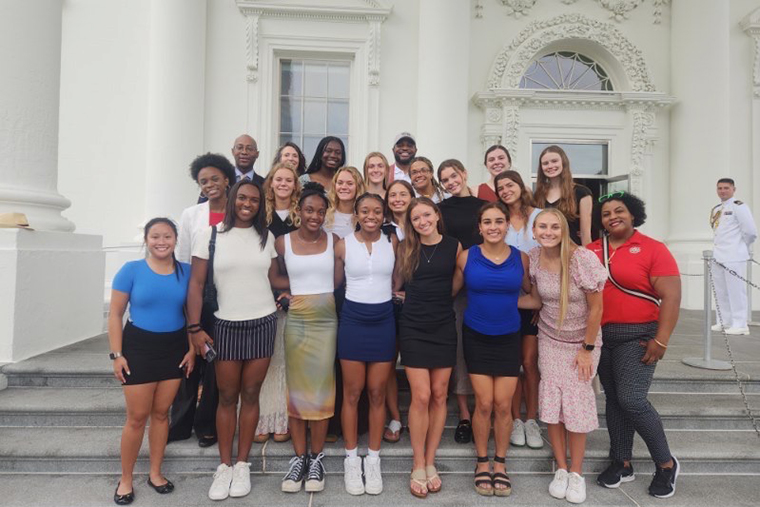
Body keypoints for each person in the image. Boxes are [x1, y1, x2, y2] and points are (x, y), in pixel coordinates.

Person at [187, 180, 280, 501]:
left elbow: (276, 278)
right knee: (227, 396)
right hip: (225, 325)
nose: (247, 203)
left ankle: (243, 464)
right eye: (242, 197)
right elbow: (196, 285)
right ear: (231, 200)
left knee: (251, 393)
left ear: (260, 205)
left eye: (254, 200)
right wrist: (195, 329)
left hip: (264, 322)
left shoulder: (266, 237)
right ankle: (224, 466)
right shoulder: (210, 235)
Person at [588, 192, 682, 499]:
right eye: (606, 213)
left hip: (639, 335)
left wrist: (661, 339)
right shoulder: (591, 251)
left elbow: (671, 296)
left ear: (633, 214)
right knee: (614, 400)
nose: (612, 216)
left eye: (620, 211)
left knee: (631, 399)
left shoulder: (654, 249)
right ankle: (622, 461)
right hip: (604, 337)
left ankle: (666, 464)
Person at [109, 218, 195, 505]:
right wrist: (117, 355)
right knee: (136, 418)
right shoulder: (131, 271)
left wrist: (192, 349)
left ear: (175, 240)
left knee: (161, 414)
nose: (162, 241)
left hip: (174, 348)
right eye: (155, 236)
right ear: (146, 239)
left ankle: (155, 473)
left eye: (167, 236)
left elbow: (191, 314)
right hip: (139, 348)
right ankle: (125, 479)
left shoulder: (186, 272)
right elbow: (114, 315)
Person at [527, 208, 607, 504]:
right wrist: (494, 298)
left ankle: (576, 473)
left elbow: (597, 308)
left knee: (575, 402)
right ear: (534, 231)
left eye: (554, 227)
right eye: (542, 227)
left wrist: (587, 349)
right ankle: (560, 467)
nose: (548, 232)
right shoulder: (534, 257)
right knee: (552, 400)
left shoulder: (582, 259)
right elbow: (536, 298)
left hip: (581, 343)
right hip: (549, 338)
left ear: (564, 230)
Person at [455, 202, 533, 497]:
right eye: (487, 222)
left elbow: (532, 292)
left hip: (509, 336)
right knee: (484, 403)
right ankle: (481, 461)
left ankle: (500, 463)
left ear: (506, 225)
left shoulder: (521, 258)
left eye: (499, 221)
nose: (493, 227)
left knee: (503, 405)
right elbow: (450, 290)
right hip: (476, 335)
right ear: (479, 227)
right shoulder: (466, 257)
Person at [271, 182, 337, 494]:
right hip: (297, 319)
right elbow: (273, 277)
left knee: (322, 387)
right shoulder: (282, 242)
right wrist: (292, 289)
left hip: (326, 320)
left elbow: (338, 281)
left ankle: (316, 457)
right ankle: (299, 459)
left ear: (326, 214)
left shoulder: (335, 241)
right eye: (309, 210)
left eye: (320, 211)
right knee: (297, 388)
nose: (314, 216)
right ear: (299, 211)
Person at [394, 197, 462, 498]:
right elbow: (397, 284)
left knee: (438, 394)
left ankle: (431, 460)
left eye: (426, 215)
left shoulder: (454, 246)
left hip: (443, 326)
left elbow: (457, 281)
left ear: (436, 215)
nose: (422, 221)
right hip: (413, 326)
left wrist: (438, 301)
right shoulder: (406, 247)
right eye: (416, 218)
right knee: (420, 395)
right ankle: (417, 462)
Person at [334, 193, 399, 495]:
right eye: (365, 210)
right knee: (352, 393)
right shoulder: (343, 244)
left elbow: (397, 280)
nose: (371, 215)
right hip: (353, 321)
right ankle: (351, 459)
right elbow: (334, 284)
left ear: (383, 214)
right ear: (356, 214)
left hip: (383, 320)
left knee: (376, 393)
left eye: (376, 210)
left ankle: (372, 459)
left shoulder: (393, 241)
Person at [170, 153, 236, 447]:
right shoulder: (191, 215)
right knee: (190, 360)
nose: (210, 185)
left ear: (226, 179)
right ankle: (180, 422)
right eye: (203, 181)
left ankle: (205, 423)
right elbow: (183, 260)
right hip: (197, 296)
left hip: (228, 298)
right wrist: (184, 304)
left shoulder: (239, 212)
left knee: (216, 364)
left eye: (214, 179)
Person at [437, 159, 487, 445]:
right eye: (444, 180)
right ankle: (465, 415)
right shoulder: (441, 210)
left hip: (485, 286)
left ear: (464, 173)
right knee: (458, 351)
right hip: (456, 286)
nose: (450, 182)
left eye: (453, 176)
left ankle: (485, 409)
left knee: (480, 349)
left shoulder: (484, 206)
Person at [253, 162, 302, 444]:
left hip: (294, 294)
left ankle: (281, 419)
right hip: (264, 295)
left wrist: (291, 290)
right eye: (278, 179)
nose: (283, 183)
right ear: (270, 183)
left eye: (288, 180)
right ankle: (263, 418)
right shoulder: (261, 216)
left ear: (295, 184)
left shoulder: (300, 215)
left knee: (286, 361)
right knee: (266, 361)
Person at [495, 170, 544, 450]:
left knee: (529, 362)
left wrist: (539, 299)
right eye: (500, 187)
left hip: (533, 297)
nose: (505, 190)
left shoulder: (538, 216)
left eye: (509, 185)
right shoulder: (498, 219)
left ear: (520, 186)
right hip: (504, 300)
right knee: (512, 364)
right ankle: (514, 419)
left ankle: (531, 419)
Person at [381, 179, 415, 444]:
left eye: (403, 194)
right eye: (393, 194)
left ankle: (417, 414)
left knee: (416, 363)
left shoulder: (422, 222)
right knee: (389, 362)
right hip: (390, 302)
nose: (398, 198)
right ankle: (395, 417)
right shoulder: (383, 229)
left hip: (419, 303)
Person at [710, 178, 757, 335]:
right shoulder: (717, 208)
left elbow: (750, 231)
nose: (722, 191)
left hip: (734, 254)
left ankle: (740, 323)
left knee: (736, 290)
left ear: (733, 189)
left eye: (726, 188)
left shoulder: (739, 206)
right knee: (721, 289)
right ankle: (724, 321)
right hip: (718, 254)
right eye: (720, 188)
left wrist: (742, 247)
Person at [533, 145, 593, 246]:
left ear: (563, 162)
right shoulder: (538, 195)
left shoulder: (582, 193)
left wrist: (587, 258)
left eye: (554, 161)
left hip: (571, 253)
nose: (550, 166)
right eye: (545, 163)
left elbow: (585, 234)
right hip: (545, 254)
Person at [324, 166, 366, 239]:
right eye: (340, 183)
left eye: (350, 184)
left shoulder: (364, 217)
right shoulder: (325, 214)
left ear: (358, 187)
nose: (343, 187)